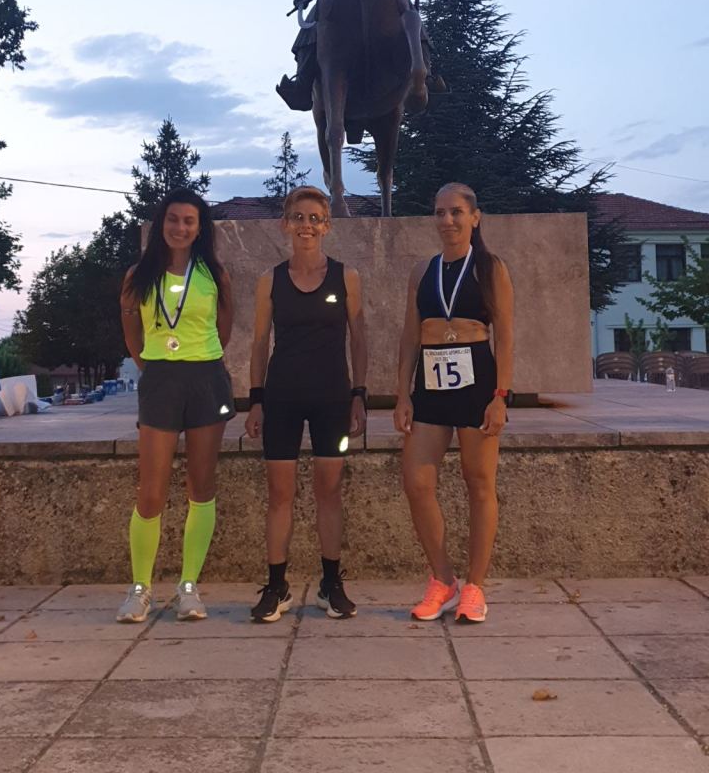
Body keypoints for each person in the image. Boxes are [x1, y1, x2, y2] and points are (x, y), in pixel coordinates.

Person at [245, 186, 367, 621]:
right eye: (298, 217)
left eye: (315, 218)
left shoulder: (346, 277)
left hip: (332, 398)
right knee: (280, 494)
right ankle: (277, 586)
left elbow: (359, 339)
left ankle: (331, 584)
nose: (306, 226)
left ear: (327, 226)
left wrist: (359, 395)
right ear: (285, 224)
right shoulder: (270, 280)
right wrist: (255, 400)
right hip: (282, 397)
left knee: (328, 492)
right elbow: (260, 342)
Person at [395, 183, 514, 623]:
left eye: (457, 212)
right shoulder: (422, 270)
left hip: (477, 380)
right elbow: (410, 335)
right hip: (431, 380)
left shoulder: (489, 268)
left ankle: (475, 586)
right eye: (440, 212)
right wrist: (402, 393)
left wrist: (500, 396)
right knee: (416, 481)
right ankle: (443, 580)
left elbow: (506, 336)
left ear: (474, 217)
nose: (447, 220)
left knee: (479, 481)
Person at [116, 188, 235, 623]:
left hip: (206, 379)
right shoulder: (138, 275)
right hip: (160, 380)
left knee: (201, 486)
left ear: (200, 228)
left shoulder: (214, 274)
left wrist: (199, 358)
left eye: (188, 221)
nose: (180, 228)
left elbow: (224, 327)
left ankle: (188, 587)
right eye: (172, 219)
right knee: (151, 490)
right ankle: (140, 588)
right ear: (160, 224)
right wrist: (153, 366)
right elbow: (132, 330)